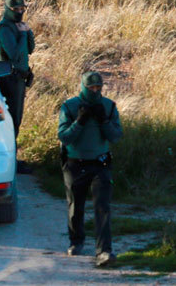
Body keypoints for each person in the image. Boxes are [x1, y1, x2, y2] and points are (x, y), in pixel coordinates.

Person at [57, 71, 122, 268]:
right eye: (91, 87)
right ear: (83, 87)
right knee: (75, 206)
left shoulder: (109, 106)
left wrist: (104, 122)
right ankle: (76, 241)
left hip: (100, 163)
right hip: (75, 163)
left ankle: (104, 251)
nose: (95, 91)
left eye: (98, 87)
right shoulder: (70, 106)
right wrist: (79, 121)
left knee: (103, 207)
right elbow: (64, 136)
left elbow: (116, 136)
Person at [0, 0, 35, 174]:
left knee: (17, 119)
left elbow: (30, 49)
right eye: (16, 10)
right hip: (9, 78)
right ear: (8, 10)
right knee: (11, 119)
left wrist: (28, 32)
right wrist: (23, 34)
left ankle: (13, 158)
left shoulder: (17, 26)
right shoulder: (4, 28)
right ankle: (10, 159)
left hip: (19, 78)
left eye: (22, 9)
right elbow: (14, 54)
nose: (19, 12)